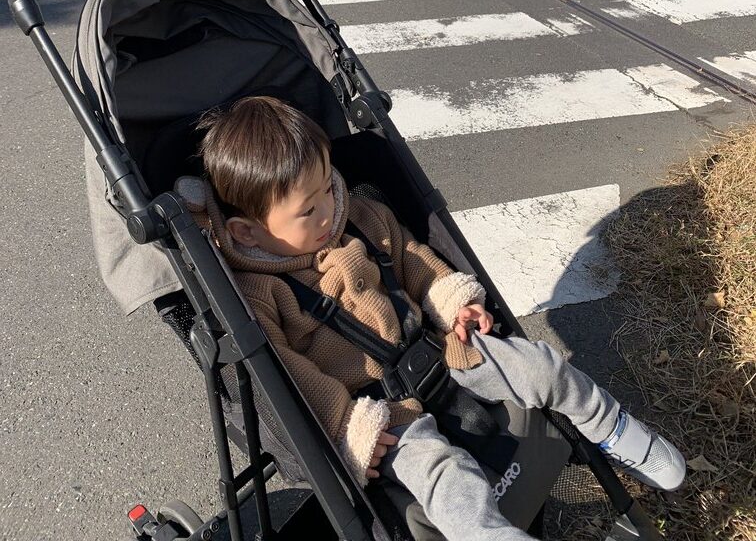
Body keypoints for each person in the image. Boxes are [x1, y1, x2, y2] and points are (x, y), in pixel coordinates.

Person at [178, 95, 686, 541]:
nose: (329, 210)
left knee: (540, 364)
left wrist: (452, 299)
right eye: (308, 211)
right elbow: (289, 373)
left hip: (441, 350)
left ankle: (610, 426)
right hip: (379, 413)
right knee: (444, 474)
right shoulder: (258, 293)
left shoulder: (360, 218)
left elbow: (413, 260)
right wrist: (346, 424)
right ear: (247, 232)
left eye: (328, 187)